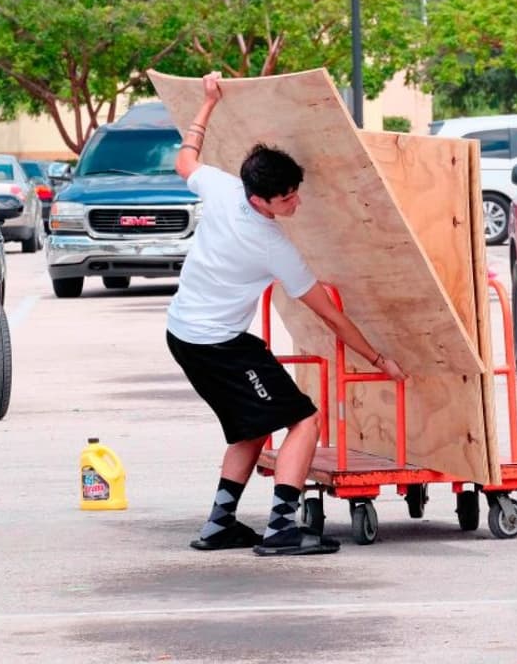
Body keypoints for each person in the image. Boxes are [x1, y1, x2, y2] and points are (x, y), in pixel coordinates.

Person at [167, 72, 408, 557]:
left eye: (296, 192)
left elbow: (184, 159)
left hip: (185, 334)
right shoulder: (271, 245)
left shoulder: (220, 187)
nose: (295, 203)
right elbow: (331, 317)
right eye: (286, 199)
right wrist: (379, 358)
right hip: (216, 344)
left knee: (252, 426)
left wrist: (208, 104)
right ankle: (281, 529)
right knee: (304, 419)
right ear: (259, 200)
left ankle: (220, 525)